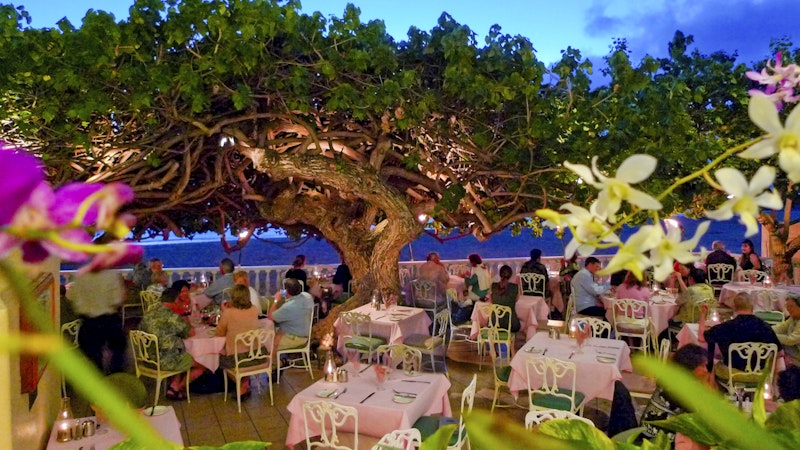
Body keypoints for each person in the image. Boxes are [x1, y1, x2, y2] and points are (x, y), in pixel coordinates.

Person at [640, 344, 715, 447]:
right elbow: (701, 415)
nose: (706, 370)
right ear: (690, 367)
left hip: (650, 432)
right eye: (702, 366)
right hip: (658, 440)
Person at [139, 290, 205, 400]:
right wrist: (184, 313)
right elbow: (190, 333)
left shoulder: (148, 313)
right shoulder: (172, 317)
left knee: (180, 351)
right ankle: (177, 388)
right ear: (176, 300)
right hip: (164, 361)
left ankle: (174, 384)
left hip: (147, 358)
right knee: (203, 364)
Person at [701, 293, 782, 377]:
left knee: (713, 367)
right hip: (760, 375)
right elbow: (780, 353)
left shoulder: (726, 327)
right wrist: (769, 373)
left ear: (734, 308)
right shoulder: (765, 326)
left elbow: (701, 338)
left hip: (733, 374)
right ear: (752, 307)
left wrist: (703, 314)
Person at [66, 269, 127, 374]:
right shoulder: (110, 275)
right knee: (118, 348)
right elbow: (116, 300)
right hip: (108, 319)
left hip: (88, 322)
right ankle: (116, 377)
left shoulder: (81, 276)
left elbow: (73, 298)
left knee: (93, 356)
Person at [217, 284, 262, 395]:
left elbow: (219, 333)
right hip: (256, 355)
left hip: (237, 358)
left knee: (219, 359)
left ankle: (241, 385)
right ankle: (245, 381)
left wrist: (224, 312)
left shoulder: (229, 313)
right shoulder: (254, 310)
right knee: (241, 352)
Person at [270, 278, 314, 353]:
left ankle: (279, 360)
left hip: (294, 337)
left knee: (267, 342)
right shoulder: (307, 296)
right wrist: (287, 294)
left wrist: (276, 300)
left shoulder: (288, 307)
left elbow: (270, 317)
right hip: (305, 333)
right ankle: (283, 356)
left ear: (286, 291)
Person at [490, 265, 521, 332]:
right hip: (511, 324)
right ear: (510, 275)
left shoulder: (493, 286)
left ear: (500, 274)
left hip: (495, 323)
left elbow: (491, 301)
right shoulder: (515, 287)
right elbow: (517, 300)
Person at [772, 294, 800, 367]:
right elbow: (781, 328)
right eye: (787, 306)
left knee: (775, 347)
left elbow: (790, 340)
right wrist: (766, 330)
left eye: (791, 306)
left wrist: (771, 336)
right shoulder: (794, 317)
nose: (788, 309)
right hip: (794, 348)